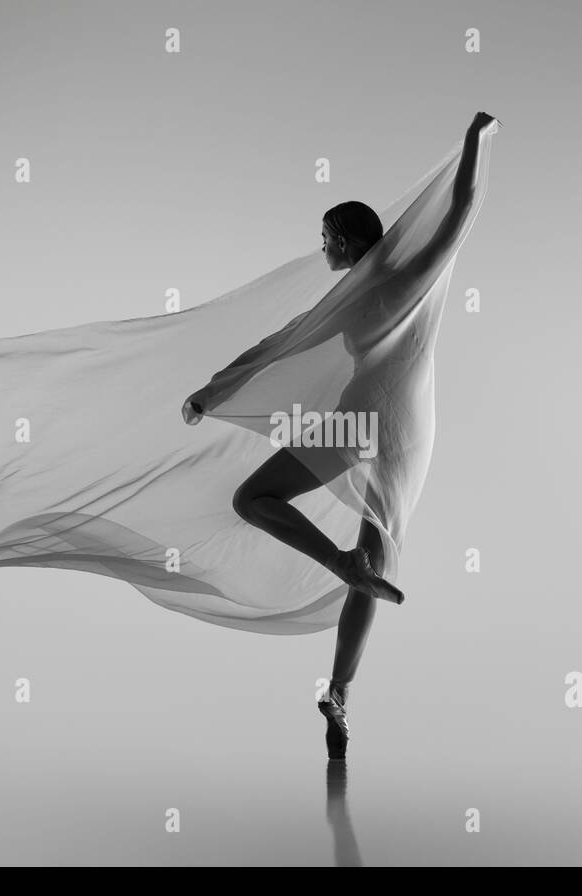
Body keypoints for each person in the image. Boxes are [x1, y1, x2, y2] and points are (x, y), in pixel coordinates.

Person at [181, 111, 500, 758]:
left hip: (363, 421)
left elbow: (278, 346)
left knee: (256, 500)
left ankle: (339, 581)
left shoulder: (365, 293)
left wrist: (212, 390)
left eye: (327, 237)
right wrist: (477, 142)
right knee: (374, 557)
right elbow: (465, 206)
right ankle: (341, 693)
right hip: (409, 428)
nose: (322, 246)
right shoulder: (403, 279)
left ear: (349, 242)